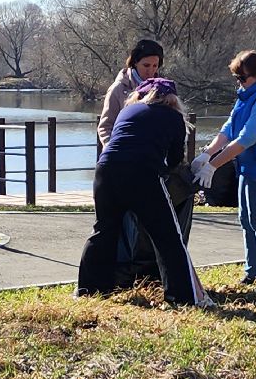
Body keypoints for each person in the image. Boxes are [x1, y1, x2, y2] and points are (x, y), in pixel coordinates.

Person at [76, 78, 209, 306]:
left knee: (104, 230)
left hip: (106, 171)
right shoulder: (174, 117)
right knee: (167, 236)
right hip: (143, 173)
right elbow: (176, 159)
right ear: (173, 99)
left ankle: (88, 289)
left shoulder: (128, 112)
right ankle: (182, 297)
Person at [95, 39, 195, 288]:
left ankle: (147, 274)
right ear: (134, 63)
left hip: (145, 165)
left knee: (147, 225)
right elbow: (105, 126)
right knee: (124, 225)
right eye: (146, 65)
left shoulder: (163, 89)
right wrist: (117, 150)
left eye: (155, 65)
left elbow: (171, 136)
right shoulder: (119, 89)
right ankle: (124, 276)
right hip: (122, 164)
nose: (151, 70)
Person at [192, 51, 256, 290]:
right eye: (236, 78)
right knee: (245, 219)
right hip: (249, 164)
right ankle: (253, 271)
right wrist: (207, 153)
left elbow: (244, 139)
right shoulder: (246, 95)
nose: (239, 82)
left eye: (242, 77)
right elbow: (229, 129)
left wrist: (213, 166)